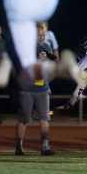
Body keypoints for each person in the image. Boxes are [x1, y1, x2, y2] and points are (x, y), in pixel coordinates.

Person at [0, 0, 87, 91]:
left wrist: (6, 61)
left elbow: (0, 80)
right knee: (33, 73)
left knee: (27, 77)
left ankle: (56, 68)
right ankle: (59, 68)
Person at [15, 28, 55, 156]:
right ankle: (19, 147)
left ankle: (45, 146)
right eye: (39, 34)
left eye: (43, 35)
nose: (42, 37)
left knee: (44, 118)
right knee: (24, 119)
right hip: (27, 89)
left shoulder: (47, 46)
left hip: (42, 88)